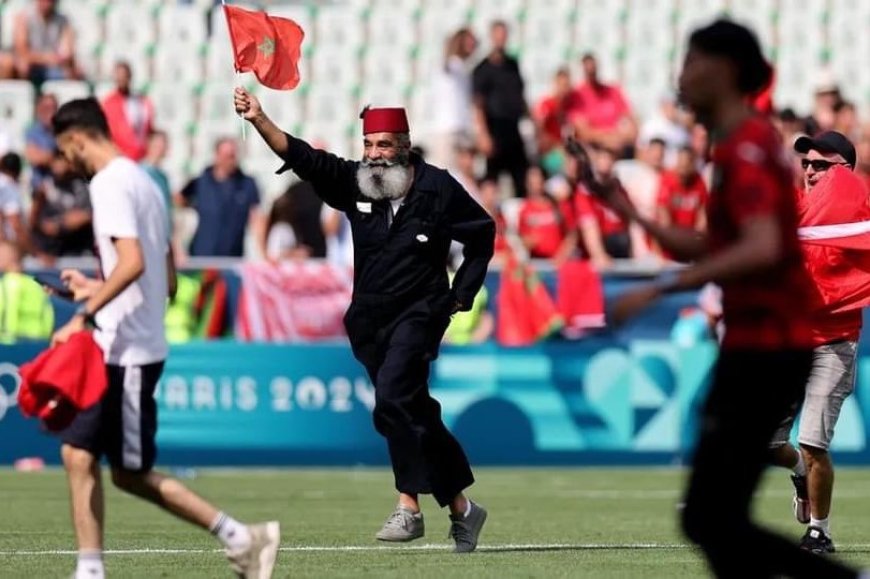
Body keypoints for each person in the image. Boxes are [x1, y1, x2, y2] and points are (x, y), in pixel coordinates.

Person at [589, 20, 860, 578]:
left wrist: (662, 287)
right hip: (758, 344)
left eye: (694, 61)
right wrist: (628, 211)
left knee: (712, 517)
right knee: (715, 521)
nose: (681, 74)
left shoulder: (751, 148)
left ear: (727, 73)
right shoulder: (740, 148)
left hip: (771, 345)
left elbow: (759, 248)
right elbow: (718, 244)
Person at [235, 88, 494, 553]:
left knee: (394, 395)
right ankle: (461, 508)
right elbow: (304, 157)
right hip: (370, 318)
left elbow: (483, 234)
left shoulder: (437, 187)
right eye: (369, 144)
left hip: (421, 311)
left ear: (404, 145)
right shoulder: (355, 181)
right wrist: (260, 119)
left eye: (384, 145)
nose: (374, 154)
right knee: (410, 408)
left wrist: (461, 295)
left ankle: (408, 507)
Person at [49, 97, 279, 579]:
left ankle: (242, 536)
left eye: (64, 150)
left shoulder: (109, 184)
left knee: (127, 471)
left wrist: (85, 314)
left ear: (76, 139)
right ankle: (90, 570)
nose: (65, 162)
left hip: (126, 350)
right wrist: (95, 287)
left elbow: (132, 264)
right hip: (129, 341)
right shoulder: (146, 182)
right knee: (79, 453)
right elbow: (165, 276)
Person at [769, 131, 861, 554]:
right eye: (806, 163)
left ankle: (819, 531)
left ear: (842, 171)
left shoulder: (857, 219)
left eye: (820, 165)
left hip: (834, 342)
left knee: (812, 441)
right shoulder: (796, 211)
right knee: (768, 446)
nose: (809, 170)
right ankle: (802, 476)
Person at [177, 137, 264, 258]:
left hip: (232, 257)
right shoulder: (201, 181)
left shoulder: (247, 183)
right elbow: (179, 199)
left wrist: (263, 251)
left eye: (232, 156)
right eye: (226, 156)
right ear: (217, 156)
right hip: (200, 255)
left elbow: (256, 218)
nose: (230, 160)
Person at [472, 20, 530, 197]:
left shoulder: (513, 65)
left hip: (513, 129)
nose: (501, 39)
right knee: (492, 181)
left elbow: (521, 96)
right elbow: (478, 104)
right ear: (492, 37)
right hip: (494, 129)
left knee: (522, 178)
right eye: (497, 34)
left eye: (504, 35)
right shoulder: (482, 68)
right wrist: (483, 135)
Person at [11, 0, 82, 84]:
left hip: (54, 69)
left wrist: (61, 59)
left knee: (73, 72)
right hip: (32, 67)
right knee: (22, 66)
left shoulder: (63, 21)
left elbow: (66, 52)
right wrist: (48, 58)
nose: (47, 3)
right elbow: (22, 52)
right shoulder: (24, 17)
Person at [101, 61, 154, 162]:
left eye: (124, 76)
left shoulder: (141, 101)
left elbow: (147, 128)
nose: (121, 79)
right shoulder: (108, 103)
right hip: (119, 155)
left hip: (140, 155)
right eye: (118, 76)